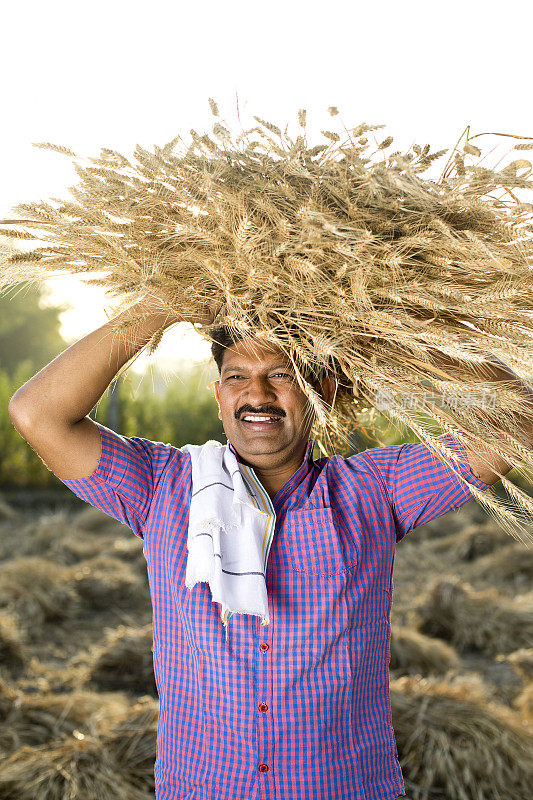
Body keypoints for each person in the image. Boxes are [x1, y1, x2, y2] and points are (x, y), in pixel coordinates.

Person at [8, 294, 513, 800]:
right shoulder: (163, 486)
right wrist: (163, 306)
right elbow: (37, 413)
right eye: (237, 377)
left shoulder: (375, 489)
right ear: (218, 395)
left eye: (282, 374)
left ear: (321, 391)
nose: (257, 394)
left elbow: (516, 419)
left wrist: (392, 324)